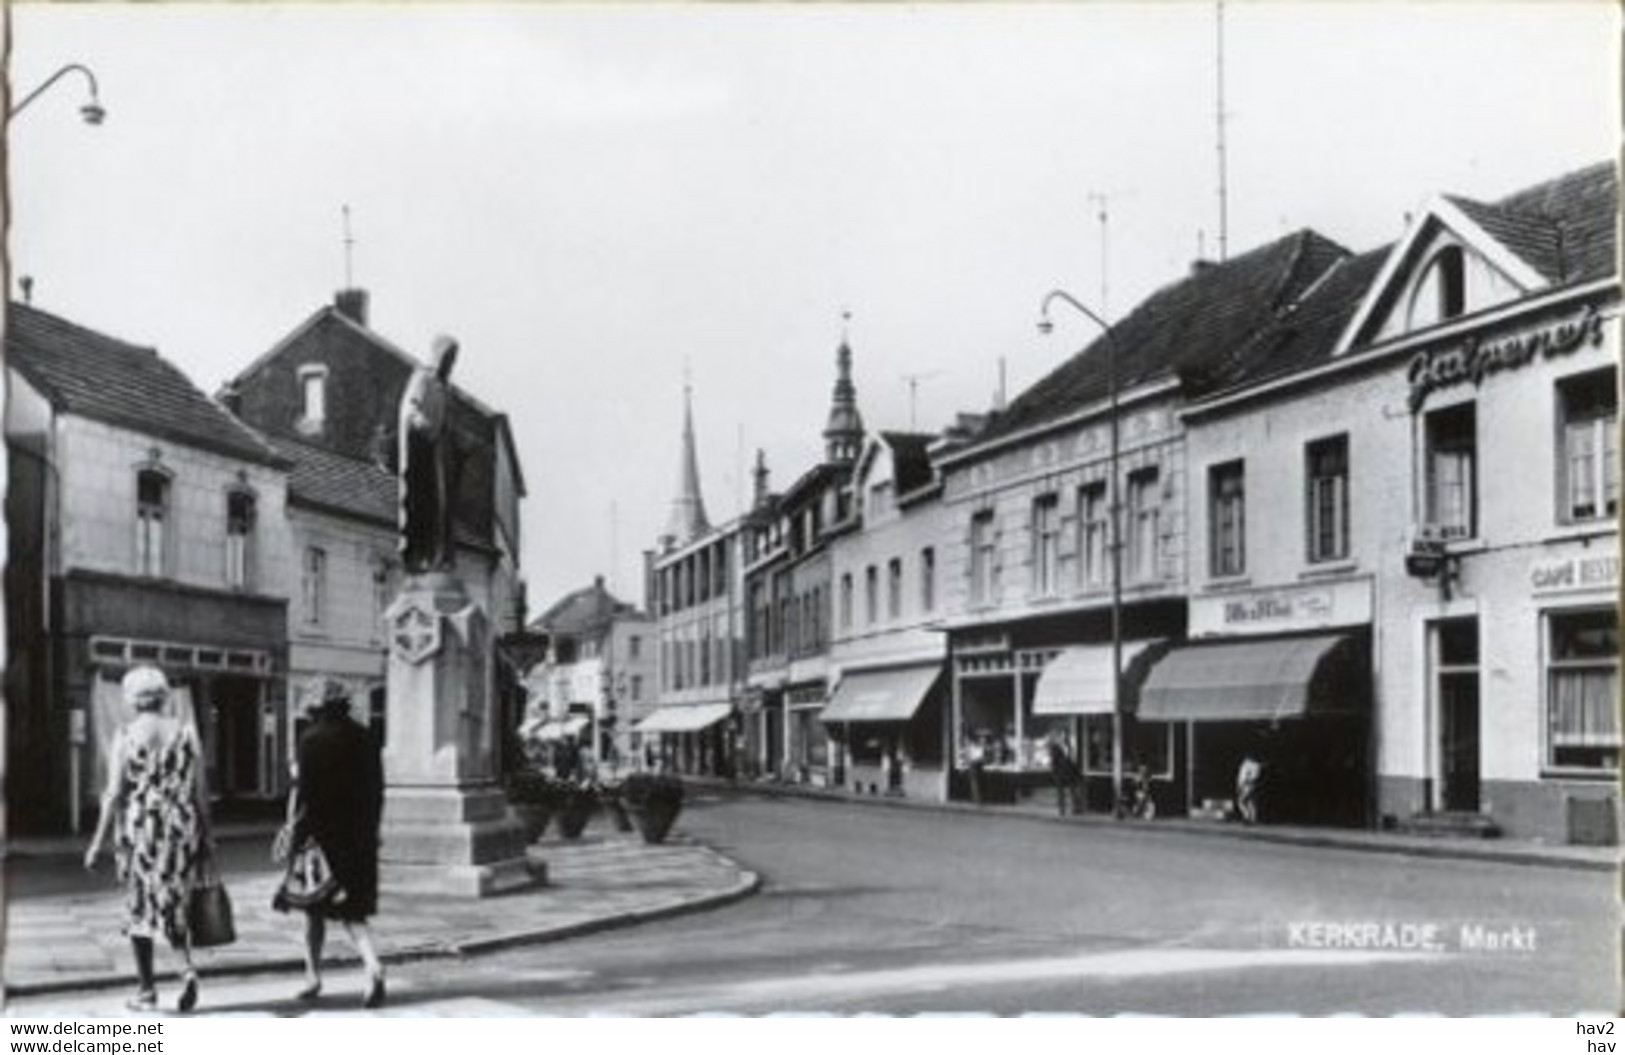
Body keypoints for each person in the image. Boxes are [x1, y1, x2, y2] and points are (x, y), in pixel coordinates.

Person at [83, 665, 209, 1012]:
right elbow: (201, 792)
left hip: (142, 830)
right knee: (174, 903)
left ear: (132, 699)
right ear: (163, 695)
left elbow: (113, 794)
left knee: (140, 907)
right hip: (182, 826)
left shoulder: (126, 735)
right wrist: (208, 839)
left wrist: (96, 843)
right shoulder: (186, 732)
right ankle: (185, 970)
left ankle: (147, 991)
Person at [277, 679, 386, 1008]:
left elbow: (305, 796)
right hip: (359, 836)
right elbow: (376, 790)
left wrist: (294, 836)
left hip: (320, 838)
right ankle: (372, 965)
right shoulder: (365, 737)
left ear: (315, 706)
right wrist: (373, 829)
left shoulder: (309, 739)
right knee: (353, 912)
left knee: (312, 910)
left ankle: (312, 976)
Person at [398, 335, 459, 574]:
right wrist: (420, 421)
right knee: (420, 505)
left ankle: (436, 557)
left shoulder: (444, 389)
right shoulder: (422, 379)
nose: (450, 365)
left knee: (439, 508)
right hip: (419, 452)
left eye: (453, 360)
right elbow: (410, 409)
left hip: (436, 455)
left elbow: (446, 423)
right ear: (438, 356)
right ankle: (420, 556)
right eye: (448, 358)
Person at [1046, 733, 1084, 816]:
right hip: (1068, 774)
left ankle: (1063, 809)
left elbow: (1054, 763)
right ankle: (1075, 807)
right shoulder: (1064, 756)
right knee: (1072, 790)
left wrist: (1054, 772)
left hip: (1063, 775)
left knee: (1063, 792)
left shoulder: (1056, 753)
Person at [1237, 751, 1264, 825]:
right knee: (1250, 802)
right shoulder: (1253, 765)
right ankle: (1252, 818)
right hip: (1249, 784)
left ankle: (1248, 817)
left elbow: (1246, 776)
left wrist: (1243, 784)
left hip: (1248, 785)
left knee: (1242, 801)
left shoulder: (1250, 765)